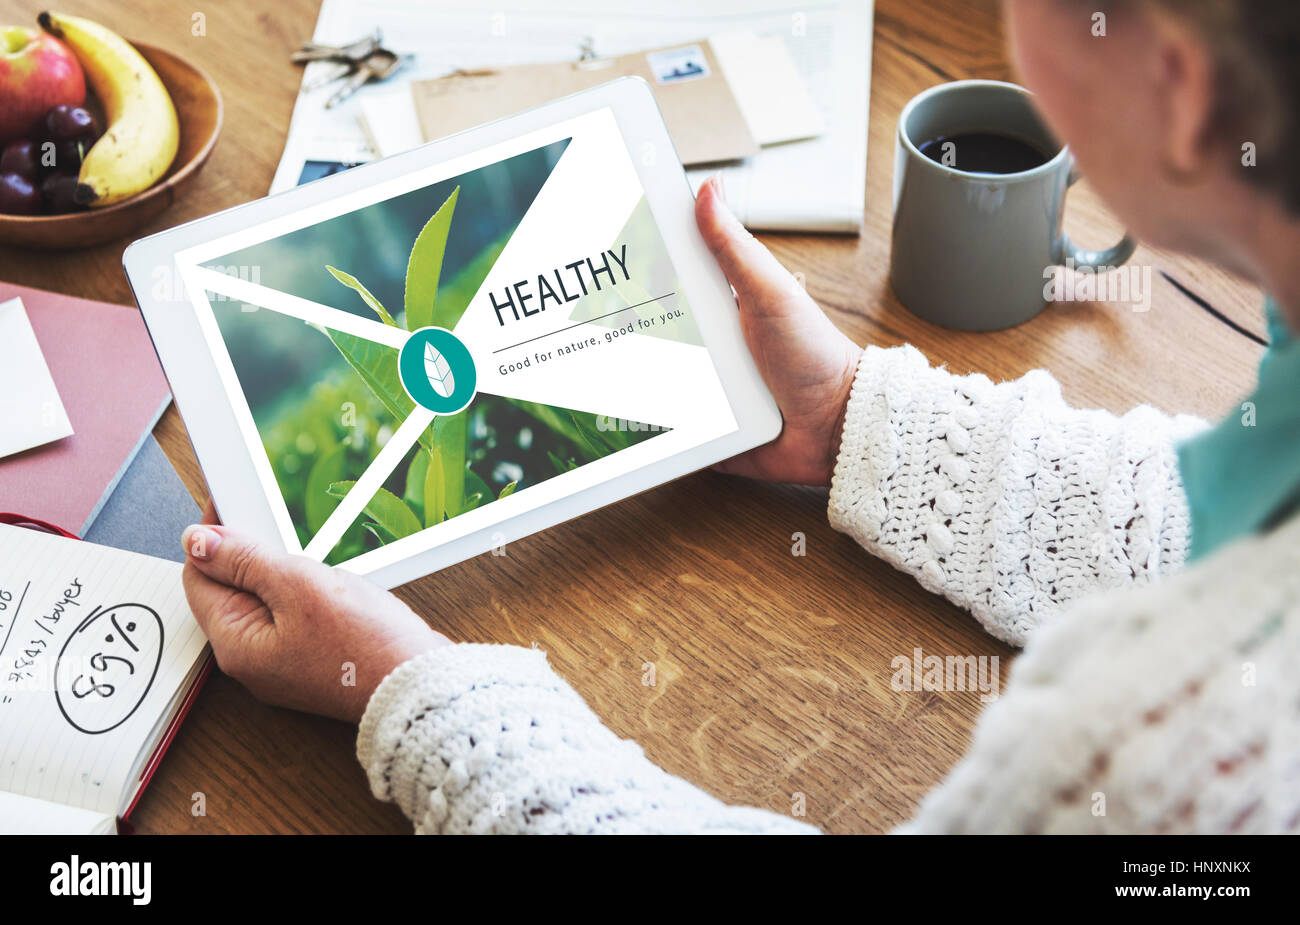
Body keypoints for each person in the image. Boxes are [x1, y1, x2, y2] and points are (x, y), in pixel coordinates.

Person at [180, 0, 1300, 833]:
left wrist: (406, 693)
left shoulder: (1182, 756)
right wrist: (856, 418)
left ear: (1181, 84)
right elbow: (1226, 524)